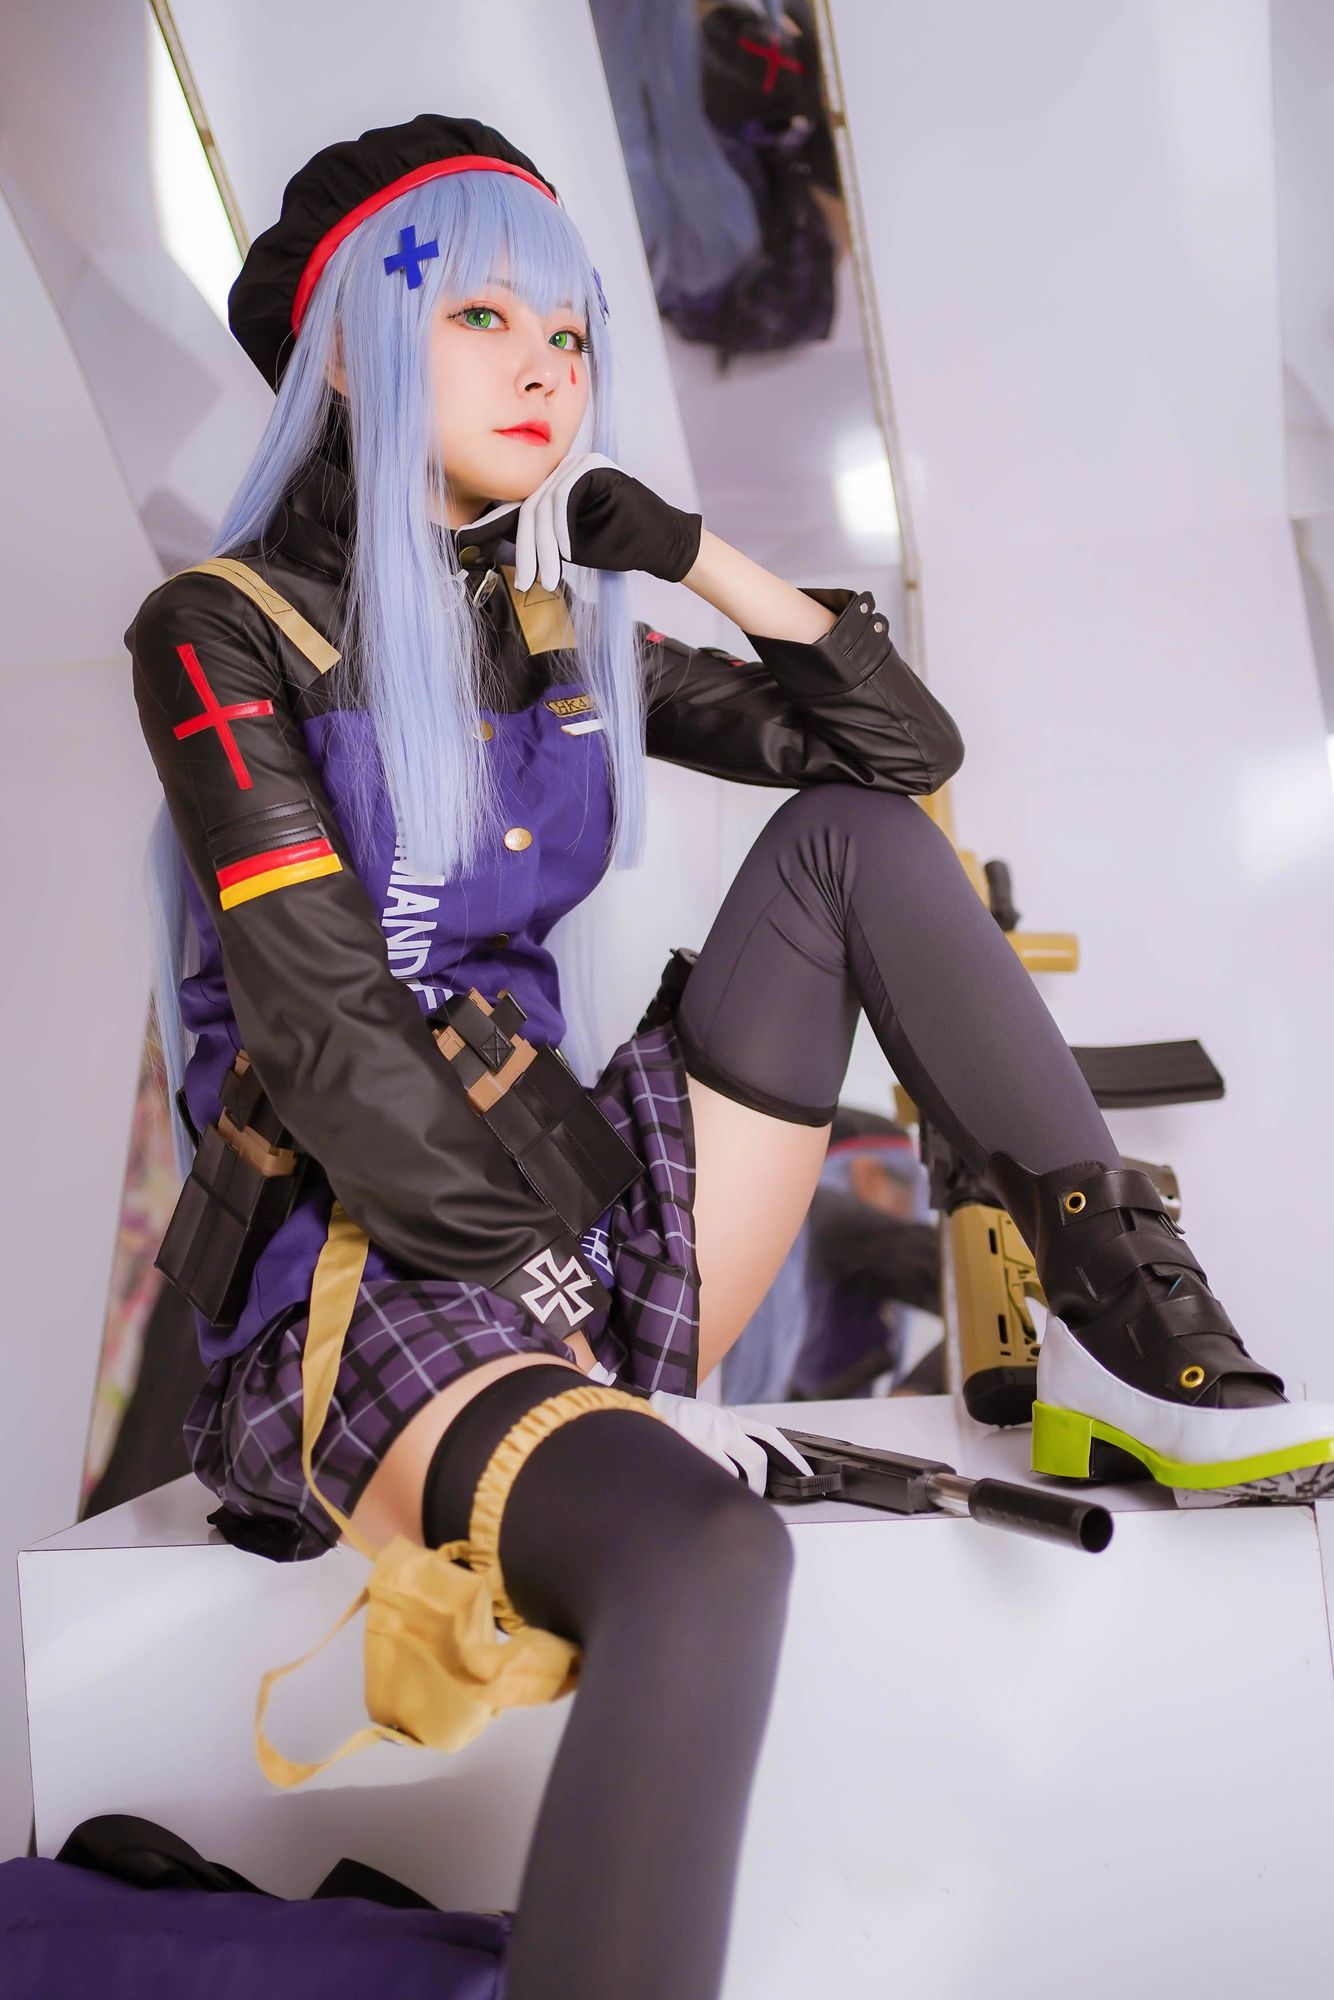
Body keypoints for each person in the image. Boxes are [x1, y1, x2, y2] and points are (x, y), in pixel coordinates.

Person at [126, 113, 1334, 2000]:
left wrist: (698, 558)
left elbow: (899, 759)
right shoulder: (218, 634)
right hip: (368, 1285)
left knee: (858, 843)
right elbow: (320, 1016)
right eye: (480, 318)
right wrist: (524, 1272)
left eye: (570, 331)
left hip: (579, 1214)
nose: (546, 366)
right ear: (349, 348)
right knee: (703, 1561)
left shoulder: (556, 626)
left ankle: (1137, 1326)